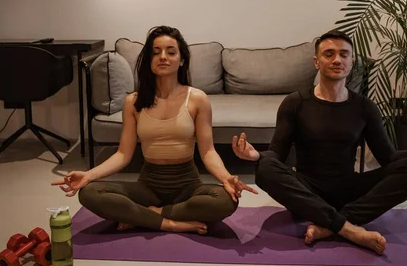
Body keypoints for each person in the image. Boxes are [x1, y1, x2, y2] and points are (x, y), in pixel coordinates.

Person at [232, 30, 407, 254]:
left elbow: (388, 158)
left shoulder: (365, 107)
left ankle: (331, 225)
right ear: (316, 62)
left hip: (349, 190)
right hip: (306, 191)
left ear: (351, 62)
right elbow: (276, 154)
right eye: (329, 54)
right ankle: (349, 229)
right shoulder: (296, 102)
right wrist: (256, 156)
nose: (337, 60)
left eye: (344, 54)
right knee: (264, 168)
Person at [53, 25, 257, 234]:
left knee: (225, 201)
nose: (163, 57)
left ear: (182, 59)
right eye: (156, 52)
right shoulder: (133, 101)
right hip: (148, 186)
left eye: (171, 52)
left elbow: (207, 151)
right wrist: (88, 175)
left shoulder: (197, 99)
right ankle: (169, 222)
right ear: (149, 60)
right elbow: (123, 154)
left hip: (187, 184)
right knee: (89, 193)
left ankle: (149, 215)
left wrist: (226, 178)